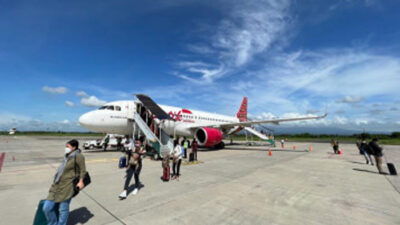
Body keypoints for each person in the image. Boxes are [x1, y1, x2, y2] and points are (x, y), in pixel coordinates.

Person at [43, 140, 86, 225]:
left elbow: (83, 170)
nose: (66, 148)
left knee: (63, 209)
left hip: (67, 186)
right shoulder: (67, 155)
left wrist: (81, 181)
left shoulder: (79, 156)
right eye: (66, 146)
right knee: (46, 208)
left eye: (68, 146)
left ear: (74, 147)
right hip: (57, 184)